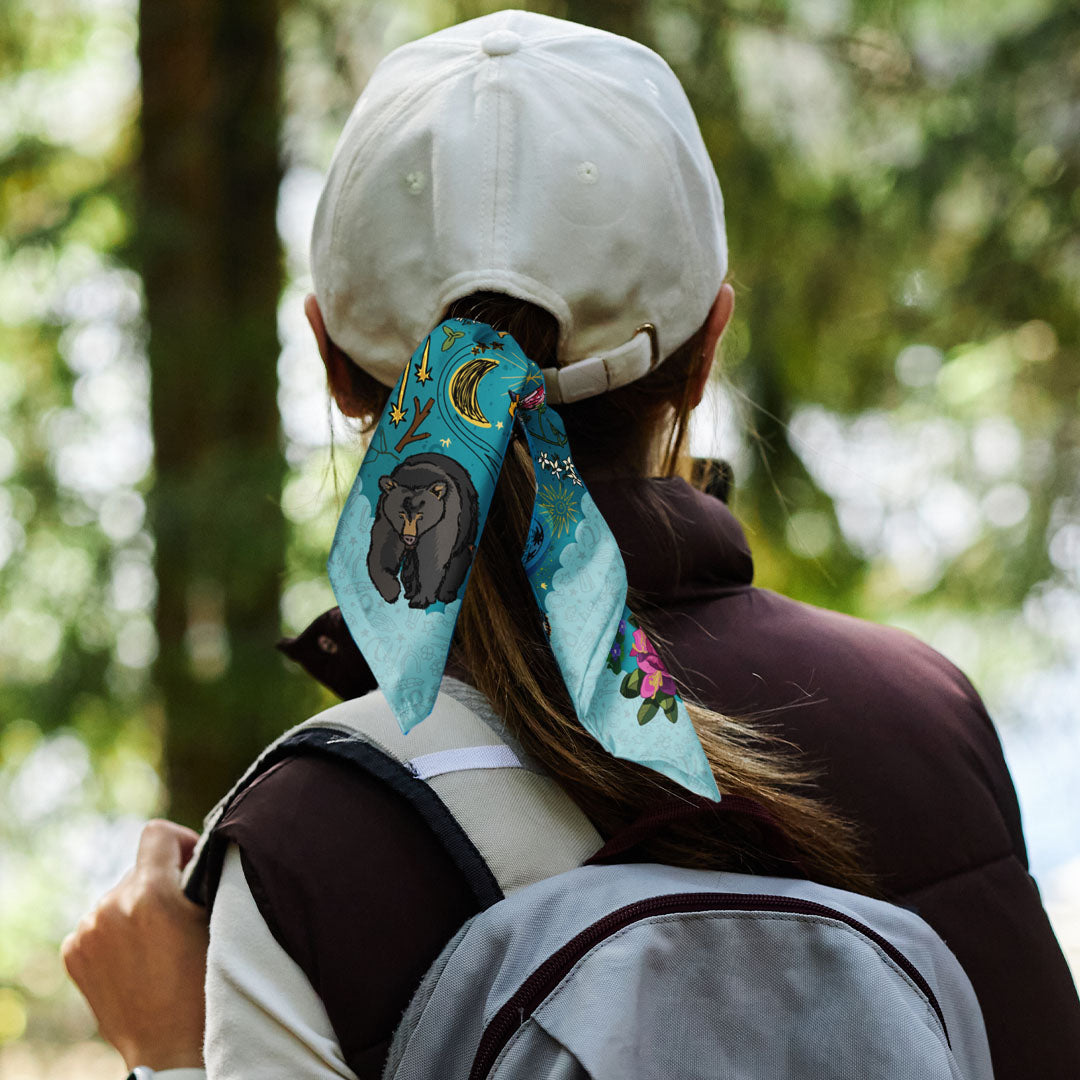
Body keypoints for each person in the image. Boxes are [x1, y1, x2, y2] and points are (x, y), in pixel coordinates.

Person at [62, 10, 1080, 1080]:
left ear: (331, 359)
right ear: (706, 347)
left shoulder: (310, 843)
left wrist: (171, 1052)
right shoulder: (923, 714)